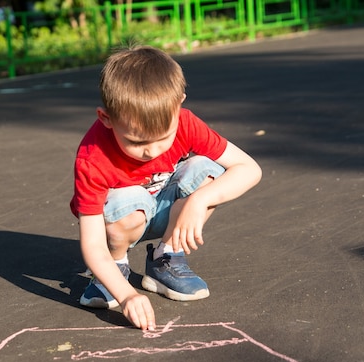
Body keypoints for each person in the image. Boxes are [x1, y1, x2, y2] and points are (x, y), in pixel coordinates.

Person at [70, 45, 262, 331]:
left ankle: (165, 259)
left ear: (179, 105)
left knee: (208, 170)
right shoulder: (93, 157)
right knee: (129, 199)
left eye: (164, 138)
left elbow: (250, 169)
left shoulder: (186, 123)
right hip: (122, 222)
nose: (152, 151)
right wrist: (126, 296)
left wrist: (200, 200)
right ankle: (117, 266)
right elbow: (93, 242)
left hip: (166, 211)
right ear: (106, 118)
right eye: (136, 142)